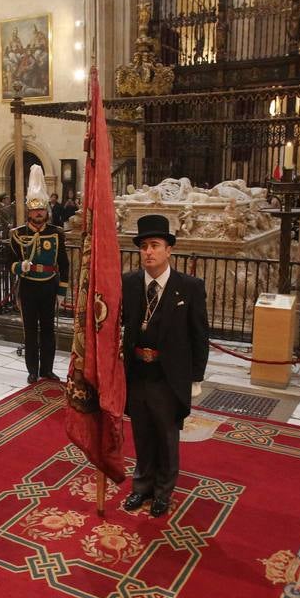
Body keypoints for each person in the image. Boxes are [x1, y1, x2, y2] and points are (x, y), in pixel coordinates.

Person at [119, 215, 209, 519]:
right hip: (137, 373)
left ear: (169, 250)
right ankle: (141, 486)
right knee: (142, 434)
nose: (148, 252)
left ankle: (162, 491)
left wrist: (196, 377)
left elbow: (200, 336)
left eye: (155, 245)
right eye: (144, 246)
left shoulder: (189, 287)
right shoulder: (129, 283)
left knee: (167, 436)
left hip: (168, 376)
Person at [9, 165, 70, 384]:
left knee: (48, 331)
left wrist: (62, 292)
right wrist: (19, 267)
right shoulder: (17, 234)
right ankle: (32, 370)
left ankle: (48, 370)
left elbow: (64, 264)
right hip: (28, 287)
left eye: (42, 210)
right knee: (30, 332)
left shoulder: (56, 233)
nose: (38, 214)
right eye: (34, 210)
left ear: (47, 210)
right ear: (29, 211)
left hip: (48, 287)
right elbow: (10, 264)